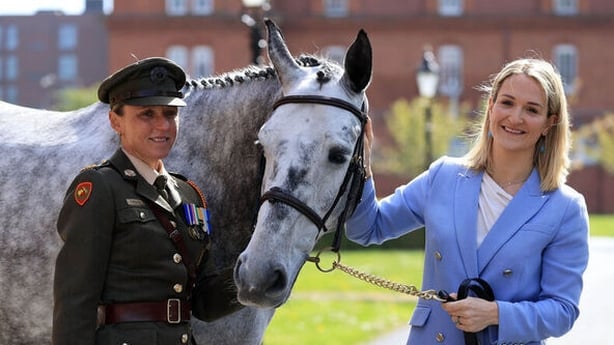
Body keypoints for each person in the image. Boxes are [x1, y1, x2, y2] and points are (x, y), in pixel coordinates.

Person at [345, 58, 589, 345]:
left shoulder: (565, 208)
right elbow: (367, 228)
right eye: (507, 103)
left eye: (532, 109)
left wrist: (495, 314)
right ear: (491, 107)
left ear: (550, 123)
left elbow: (562, 311)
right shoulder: (443, 176)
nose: (515, 117)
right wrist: (362, 166)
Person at [53, 57, 213, 345]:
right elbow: (75, 299)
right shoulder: (99, 187)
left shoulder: (189, 194)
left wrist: (251, 278)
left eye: (170, 113)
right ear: (116, 121)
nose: (162, 125)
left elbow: (205, 301)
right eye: (147, 114)